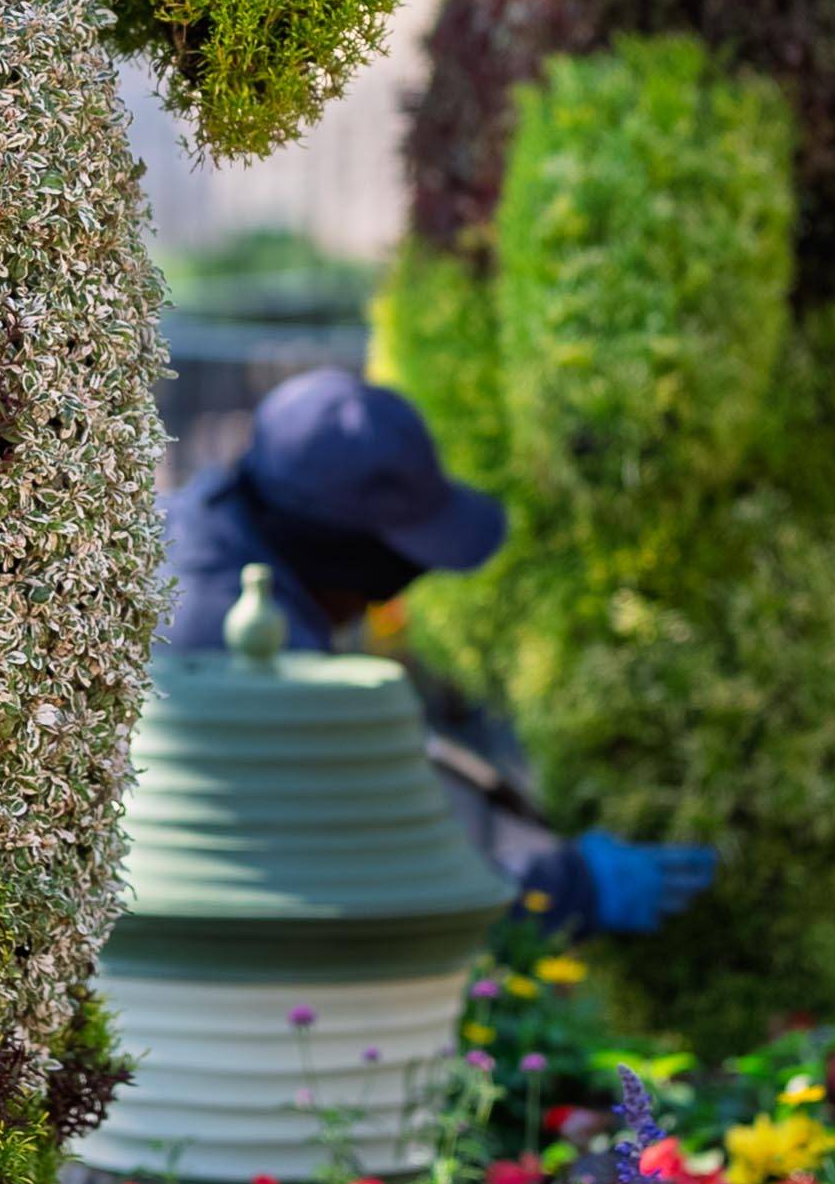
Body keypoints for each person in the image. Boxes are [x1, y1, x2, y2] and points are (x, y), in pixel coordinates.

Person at [161, 366, 715, 941]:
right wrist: (568, 889)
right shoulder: (235, 655)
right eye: (395, 575)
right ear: (343, 560)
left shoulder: (201, 521)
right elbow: (354, 880)